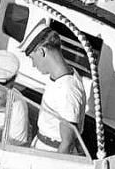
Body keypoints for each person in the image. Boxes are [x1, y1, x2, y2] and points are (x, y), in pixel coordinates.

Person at [22, 25, 87, 154]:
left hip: (52, 151)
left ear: (41, 51)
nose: (33, 65)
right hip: (42, 144)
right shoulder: (63, 75)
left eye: (32, 58)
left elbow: (67, 143)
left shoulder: (67, 90)